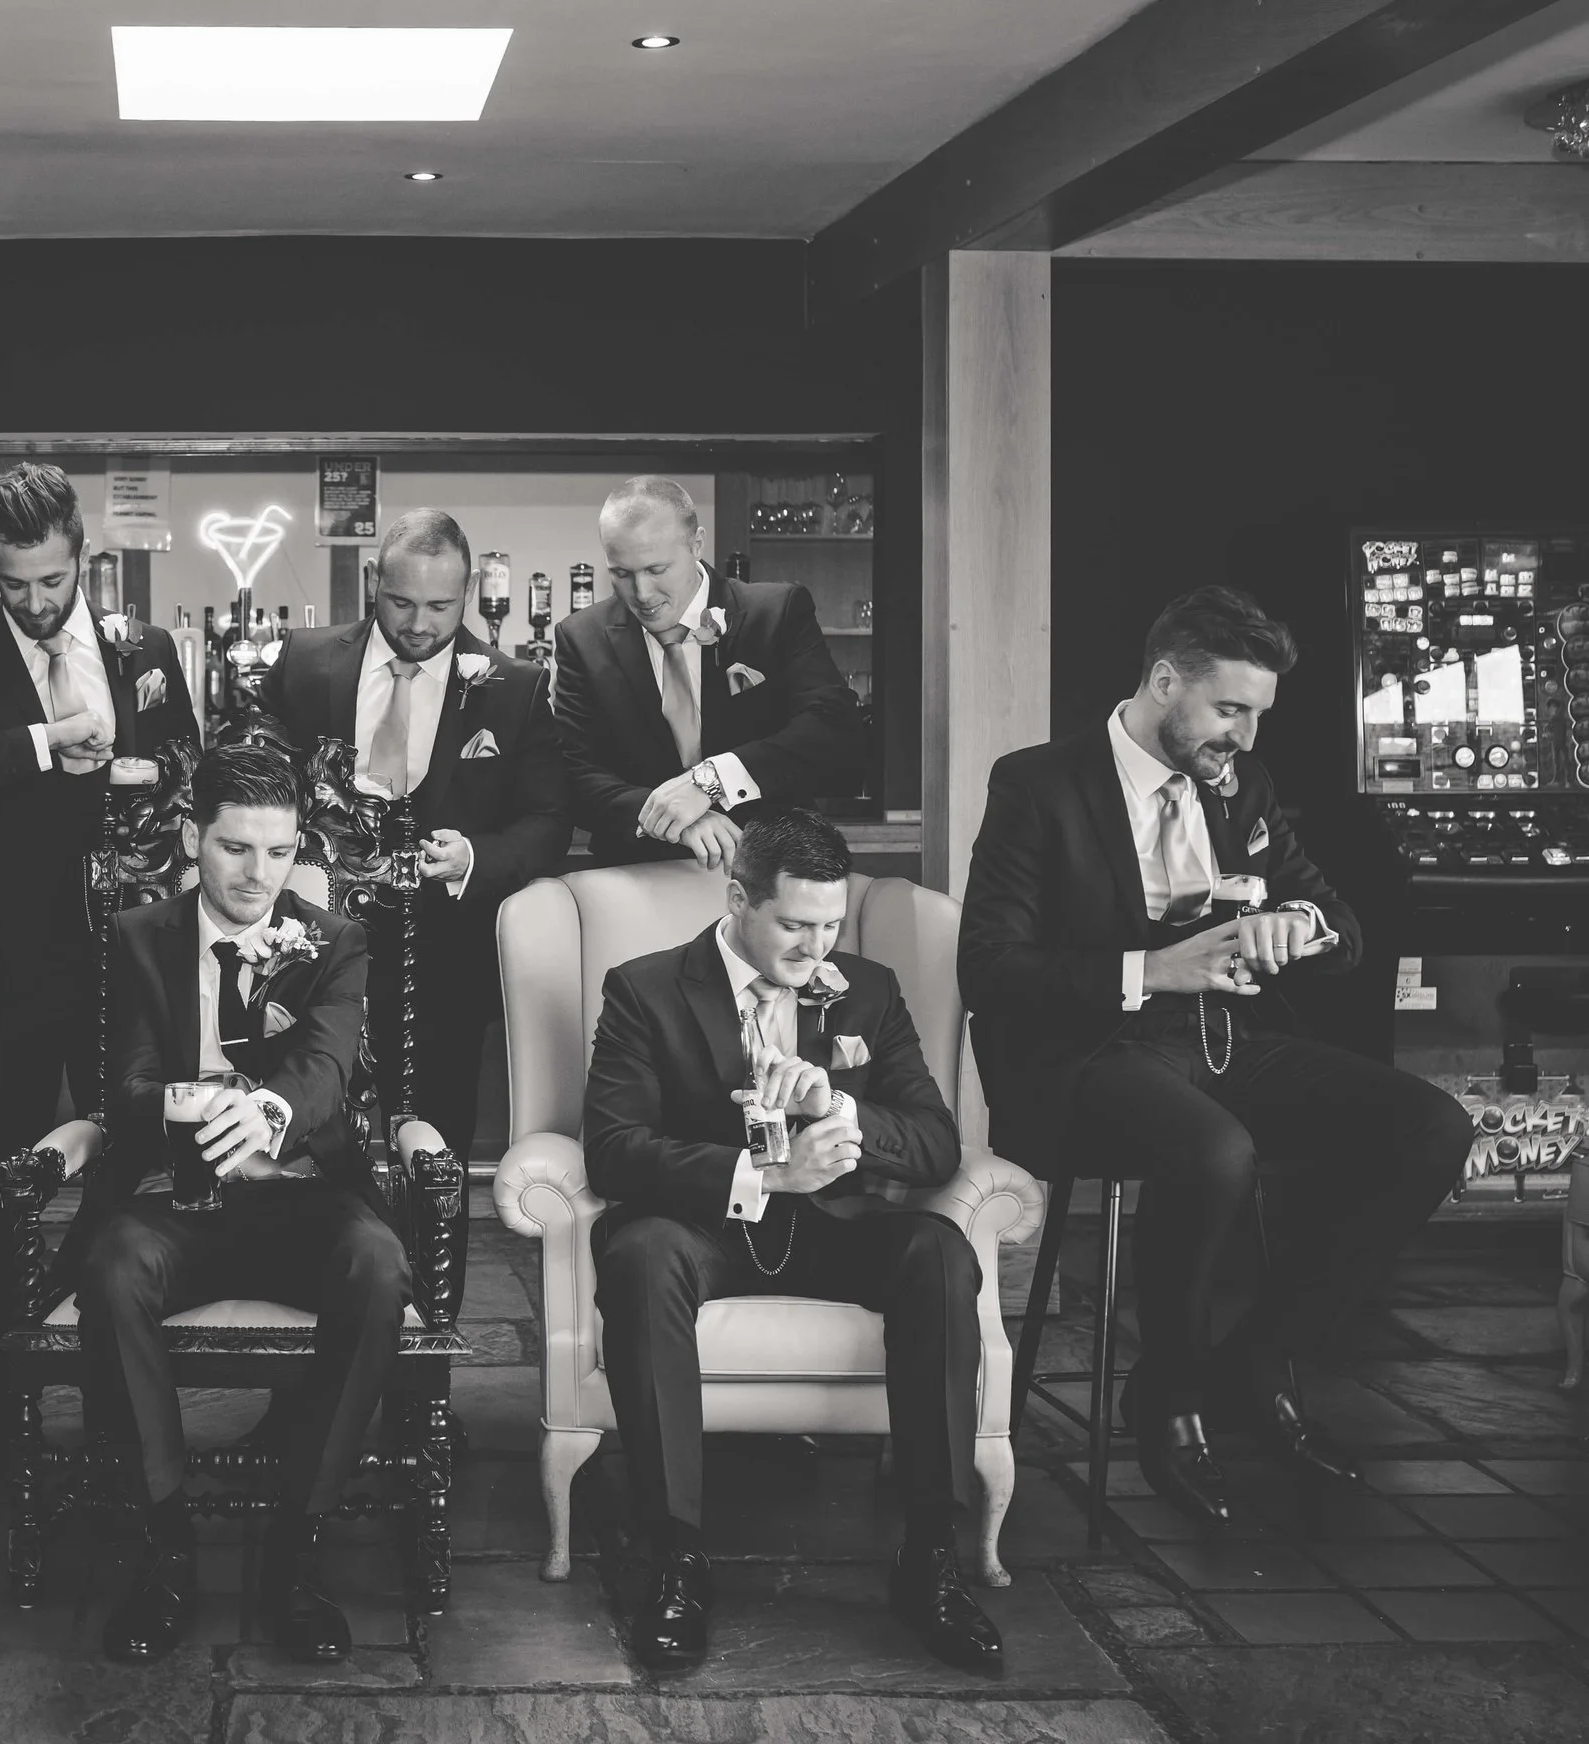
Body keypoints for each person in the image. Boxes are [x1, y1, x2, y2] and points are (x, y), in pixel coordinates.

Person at [960, 587, 1466, 1523]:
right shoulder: (1037, 784)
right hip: (1089, 1055)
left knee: (1432, 1127)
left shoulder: (1244, 784)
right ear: (1164, 681)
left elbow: (1340, 925)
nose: (1246, 735)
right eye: (1230, 708)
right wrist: (1151, 969)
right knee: (1214, 1151)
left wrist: (1296, 923)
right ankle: (1169, 1393)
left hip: (1228, 1042)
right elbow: (990, 968)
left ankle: (1258, 1360)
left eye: (1258, 714)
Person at [586, 806, 1000, 1674]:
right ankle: (675, 1559)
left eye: (830, 925)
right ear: (739, 899)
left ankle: (931, 1557)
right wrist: (766, 1176)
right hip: (701, 1231)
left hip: (834, 1232)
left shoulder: (868, 990)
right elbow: (615, 1150)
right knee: (639, 1254)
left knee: (938, 1250)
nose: (817, 949)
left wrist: (836, 1106)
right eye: (795, 926)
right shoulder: (644, 988)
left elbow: (935, 1145)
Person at [78, 743, 405, 1667]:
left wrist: (265, 1109)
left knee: (379, 1265)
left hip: (302, 1193)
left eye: (279, 851)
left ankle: (298, 1548)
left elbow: (329, 1068)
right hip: (175, 1198)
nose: (258, 875)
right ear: (193, 838)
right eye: (234, 848)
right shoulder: (138, 935)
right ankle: (166, 1545)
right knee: (112, 1269)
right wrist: (187, 1105)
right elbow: (125, 1082)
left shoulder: (333, 939)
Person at [0, 463, 198, 1447]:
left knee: (135, 1164)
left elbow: (187, 766)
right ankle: (7, 1400)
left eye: (52, 580)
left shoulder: (146, 648)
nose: (33, 602)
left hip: (131, 959)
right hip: (10, 961)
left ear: (83, 557)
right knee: (1, 1178)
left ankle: (117, 1390)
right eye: (13, 581)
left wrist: (159, 785)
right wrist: (42, 741)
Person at [255, 506, 568, 1209]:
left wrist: (475, 857)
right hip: (308, 955)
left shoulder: (515, 688)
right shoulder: (305, 662)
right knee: (304, 1147)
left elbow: (548, 822)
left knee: (437, 1156)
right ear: (373, 580)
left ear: (468, 592)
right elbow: (248, 781)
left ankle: (432, 1278)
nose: (419, 624)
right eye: (400, 602)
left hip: (445, 963)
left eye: (440, 606)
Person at [554, 476, 862, 868]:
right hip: (642, 872)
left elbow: (832, 728)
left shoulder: (776, 612)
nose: (642, 593)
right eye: (621, 573)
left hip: (774, 868)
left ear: (696, 544)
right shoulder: (581, 638)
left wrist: (712, 779)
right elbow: (573, 774)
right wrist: (670, 820)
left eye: (657, 569)